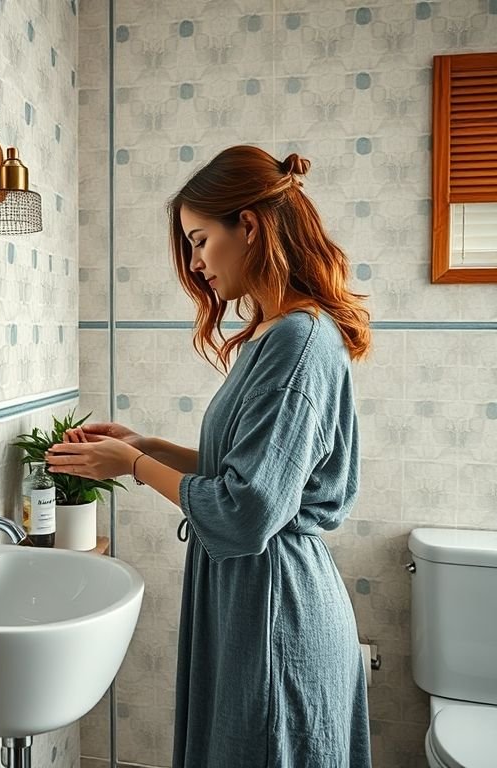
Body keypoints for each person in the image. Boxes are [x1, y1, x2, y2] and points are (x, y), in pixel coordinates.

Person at [45, 145, 373, 767]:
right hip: (254, 599)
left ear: (247, 226)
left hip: (276, 609)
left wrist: (135, 467)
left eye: (199, 240)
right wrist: (145, 446)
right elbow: (246, 469)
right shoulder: (275, 334)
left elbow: (248, 511)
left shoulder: (297, 343)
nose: (195, 265)